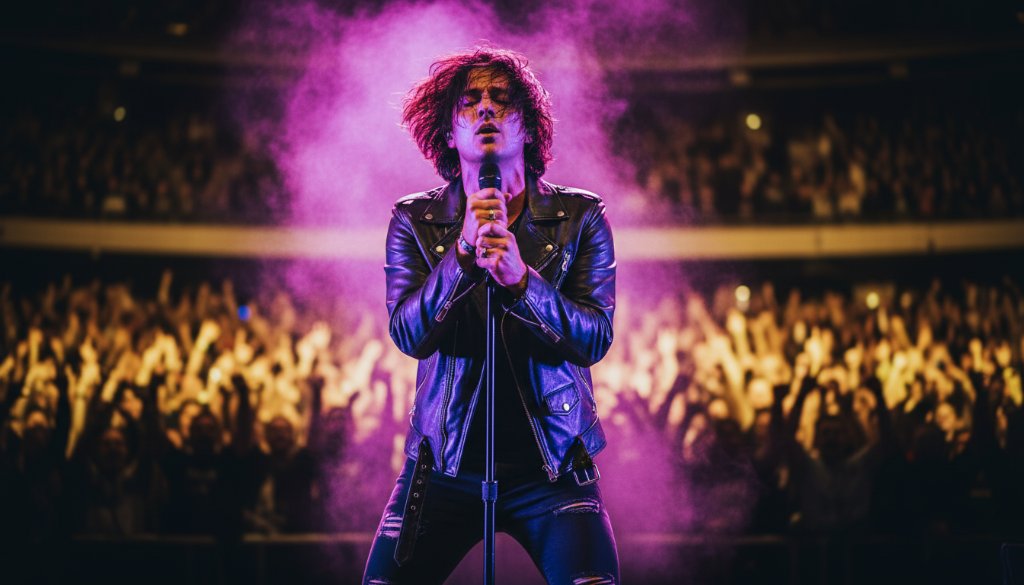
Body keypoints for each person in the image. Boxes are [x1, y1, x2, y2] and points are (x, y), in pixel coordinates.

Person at [362, 47, 619, 584]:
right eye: (470, 101)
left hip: (553, 466)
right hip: (443, 465)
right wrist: (459, 256)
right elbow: (409, 333)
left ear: (528, 127)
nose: (485, 109)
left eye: (502, 99)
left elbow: (594, 337)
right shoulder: (415, 219)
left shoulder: (580, 218)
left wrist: (523, 283)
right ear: (448, 132)